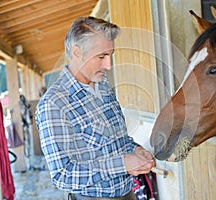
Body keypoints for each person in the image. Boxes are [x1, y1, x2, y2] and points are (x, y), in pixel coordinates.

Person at [35, 16, 155, 200]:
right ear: (77, 52)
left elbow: (117, 141)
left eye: (110, 55)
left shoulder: (103, 85)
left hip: (129, 194)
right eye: (101, 57)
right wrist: (123, 164)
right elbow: (62, 175)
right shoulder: (54, 104)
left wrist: (136, 150)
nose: (108, 65)